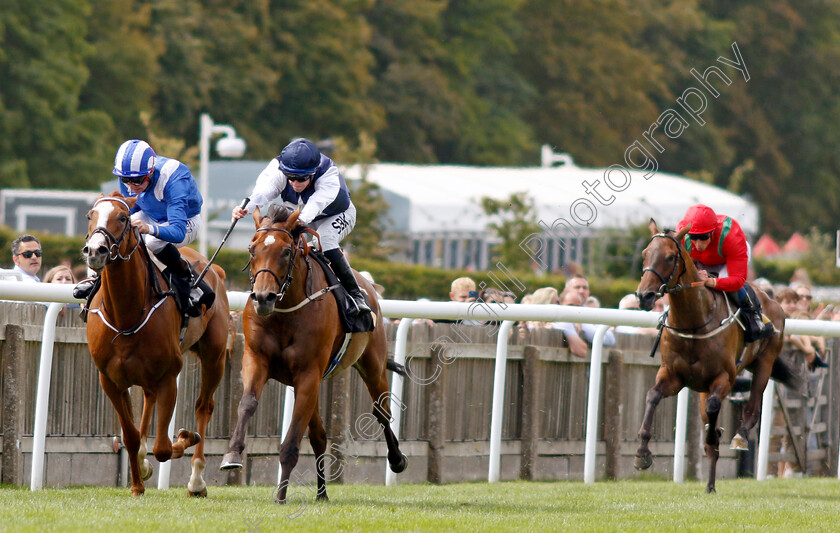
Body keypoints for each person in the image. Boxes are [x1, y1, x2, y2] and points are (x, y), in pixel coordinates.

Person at [74, 139, 214, 317]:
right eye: (126, 180)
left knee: (154, 241)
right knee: (112, 231)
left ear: (150, 172)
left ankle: (188, 280)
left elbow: (177, 232)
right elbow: (133, 208)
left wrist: (148, 228)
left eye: (138, 180)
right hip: (149, 214)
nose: (131, 186)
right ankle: (95, 278)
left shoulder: (174, 179)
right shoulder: (130, 175)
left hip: (184, 221)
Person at [232, 138, 369, 316]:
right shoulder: (278, 168)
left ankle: (355, 295)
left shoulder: (328, 175)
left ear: (313, 173)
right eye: (291, 178)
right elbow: (264, 192)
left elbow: (313, 207)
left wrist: (296, 223)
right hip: (300, 214)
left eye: (302, 179)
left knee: (324, 241)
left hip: (336, 214)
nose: (295, 184)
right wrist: (244, 208)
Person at [676, 204, 774, 343]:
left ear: (712, 232)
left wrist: (711, 281)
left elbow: (738, 280)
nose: (698, 244)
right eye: (693, 237)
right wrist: (696, 272)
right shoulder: (681, 235)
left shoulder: (731, 235)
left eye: (703, 237)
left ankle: (753, 315)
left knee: (724, 284)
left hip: (728, 258)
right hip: (700, 260)